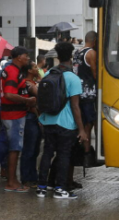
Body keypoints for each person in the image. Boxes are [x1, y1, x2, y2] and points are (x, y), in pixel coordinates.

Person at [37, 42, 87, 200]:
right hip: (66, 124)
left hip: (48, 122)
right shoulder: (73, 78)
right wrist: (82, 130)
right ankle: (60, 189)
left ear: (57, 57)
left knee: (47, 154)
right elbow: (75, 106)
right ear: (71, 57)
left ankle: (42, 188)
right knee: (64, 155)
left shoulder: (48, 75)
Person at [0, 46, 37, 192]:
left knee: (5, 144)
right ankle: (12, 182)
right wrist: (27, 101)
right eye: (26, 55)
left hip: (10, 114)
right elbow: (8, 94)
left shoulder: (13, 70)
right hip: (14, 115)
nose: (28, 58)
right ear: (19, 57)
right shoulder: (13, 71)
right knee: (14, 148)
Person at [72, 31, 98, 190]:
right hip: (88, 93)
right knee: (88, 124)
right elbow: (95, 74)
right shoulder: (91, 53)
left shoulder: (77, 52)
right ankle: (86, 154)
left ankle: (84, 150)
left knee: (82, 122)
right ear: (94, 41)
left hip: (78, 92)